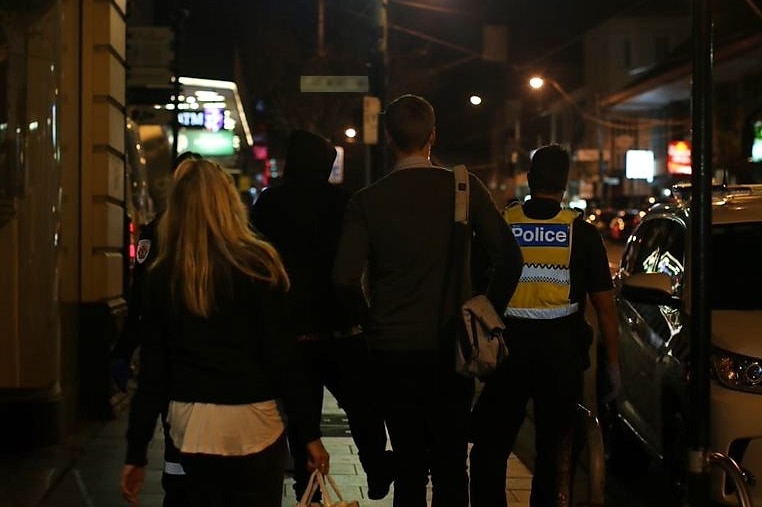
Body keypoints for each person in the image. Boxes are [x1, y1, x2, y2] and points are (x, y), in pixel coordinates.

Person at [332, 94, 524, 507]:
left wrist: (370, 322)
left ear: (388, 138)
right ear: (432, 136)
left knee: (409, 464)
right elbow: (510, 256)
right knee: (452, 464)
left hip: (392, 350)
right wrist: (488, 311)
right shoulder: (463, 187)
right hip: (451, 345)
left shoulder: (367, 201)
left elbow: (344, 278)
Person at [120, 158, 329, 507]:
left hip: (193, 425)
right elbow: (282, 358)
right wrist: (308, 434)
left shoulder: (163, 276)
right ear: (228, 202)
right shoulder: (259, 265)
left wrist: (136, 452)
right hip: (254, 421)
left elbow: (153, 375)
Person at [468, 144, 621, 507]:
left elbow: (474, 285)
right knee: (555, 453)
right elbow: (604, 307)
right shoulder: (580, 234)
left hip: (506, 351)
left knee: (490, 447)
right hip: (561, 354)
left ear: (529, 179)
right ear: (565, 184)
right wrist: (612, 365)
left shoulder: (504, 224)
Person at [250, 129, 394, 503]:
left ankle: (306, 491)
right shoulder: (343, 203)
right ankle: (377, 467)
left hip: (290, 330)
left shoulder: (268, 204)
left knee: (304, 418)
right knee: (364, 406)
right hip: (339, 326)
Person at [110, 150, 201, 507]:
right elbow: (141, 305)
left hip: (171, 359)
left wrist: (124, 350)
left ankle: (178, 489)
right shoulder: (224, 240)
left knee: (177, 434)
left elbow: (141, 306)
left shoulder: (159, 232)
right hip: (189, 364)